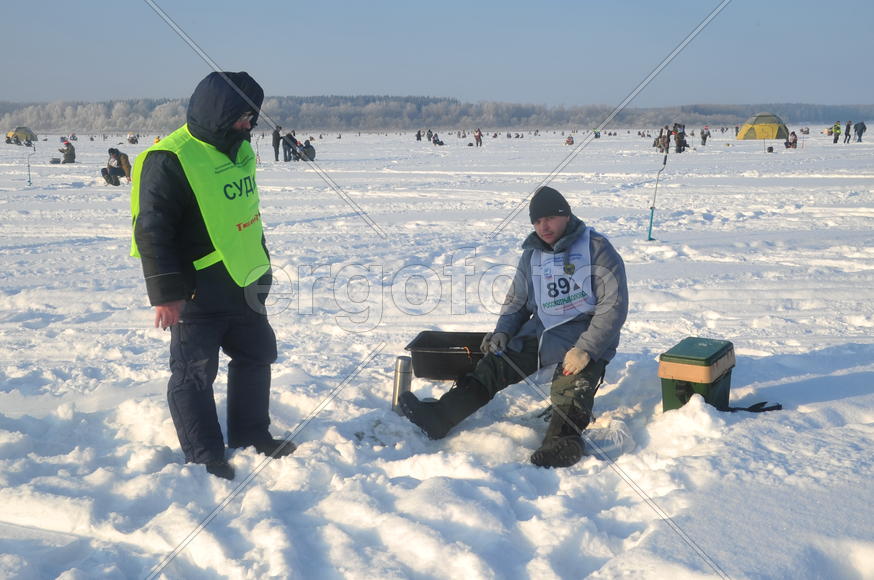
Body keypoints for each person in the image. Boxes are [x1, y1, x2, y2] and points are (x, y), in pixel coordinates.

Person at [130, 71, 294, 481]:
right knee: (195, 374)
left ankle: (252, 434)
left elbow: (245, 214)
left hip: (245, 282)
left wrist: (262, 267)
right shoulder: (169, 159)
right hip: (196, 290)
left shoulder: (241, 148)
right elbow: (152, 231)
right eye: (242, 115)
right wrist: (166, 294)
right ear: (217, 111)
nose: (249, 123)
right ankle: (204, 455)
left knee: (257, 356)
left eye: (252, 116)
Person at [400, 186, 629, 468]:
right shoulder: (533, 254)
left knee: (571, 384)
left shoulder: (596, 248)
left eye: (550, 218)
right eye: (537, 221)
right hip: (543, 333)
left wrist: (587, 349)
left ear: (566, 216)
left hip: (587, 335)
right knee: (495, 364)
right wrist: (503, 331)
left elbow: (613, 306)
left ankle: (561, 442)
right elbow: (517, 301)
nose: (543, 227)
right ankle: (440, 417)